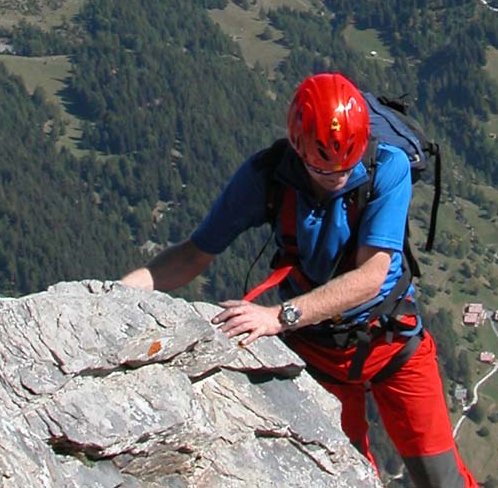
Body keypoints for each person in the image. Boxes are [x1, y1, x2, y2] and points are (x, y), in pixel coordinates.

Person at [122, 72, 476, 488]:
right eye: (325, 170)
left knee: (442, 481)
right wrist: (116, 293)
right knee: (345, 478)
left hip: (391, 340)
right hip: (319, 351)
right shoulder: (268, 176)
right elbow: (194, 253)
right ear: (298, 150)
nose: (340, 177)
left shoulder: (386, 167)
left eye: (348, 165)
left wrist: (279, 317)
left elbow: (370, 277)